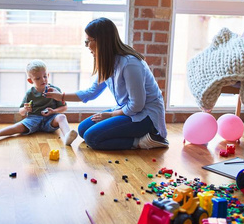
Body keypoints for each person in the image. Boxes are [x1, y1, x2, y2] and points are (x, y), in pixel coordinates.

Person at [45, 17, 168, 150]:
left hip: (145, 117)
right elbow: (91, 93)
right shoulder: (108, 62)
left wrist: (110, 115)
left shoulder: (130, 64)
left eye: (88, 41)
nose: (86, 46)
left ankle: (143, 141)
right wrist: (60, 97)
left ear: (100, 41)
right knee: (83, 129)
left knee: (92, 138)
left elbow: (137, 105)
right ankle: (130, 136)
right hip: (127, 110)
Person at [0, 59, 78, 145]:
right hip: (33, 119)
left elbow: (64, 107)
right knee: (18, 126)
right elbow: (21, 112)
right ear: (30, 80)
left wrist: (53, 111)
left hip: (51, 119)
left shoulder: (55, 90)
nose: (43, 80)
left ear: (48, 75)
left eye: (45, 76)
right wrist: (25, 109)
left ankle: (67, 136)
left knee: (61, 117)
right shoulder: (30, 93)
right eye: (38, 78)